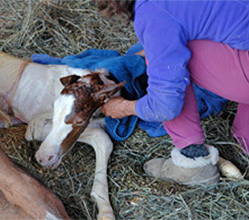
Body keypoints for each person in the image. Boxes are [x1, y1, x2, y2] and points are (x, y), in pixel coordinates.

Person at [96, 0, 249, 185]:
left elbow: (165, 106)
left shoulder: (154, 11)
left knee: (172, 60)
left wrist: (125, 107)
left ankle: (193, 162)